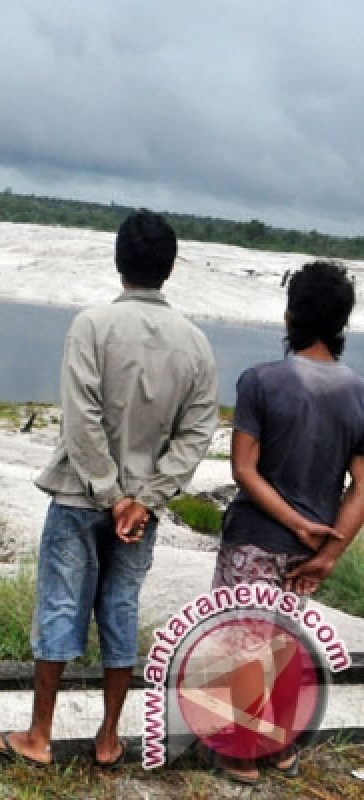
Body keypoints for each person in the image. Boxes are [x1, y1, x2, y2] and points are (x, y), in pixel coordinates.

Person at [0, 210, 219, 768]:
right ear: (170, 267)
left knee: (61, 606)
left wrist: (110, 493)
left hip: (79, 496)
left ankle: (39, 736)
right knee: (120, 608)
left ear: (119, 264)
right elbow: (196, 433)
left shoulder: (91, 325)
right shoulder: (197, 344)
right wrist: (145, 497)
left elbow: (81, 416)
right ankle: (110, 739)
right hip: (140, 509)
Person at [207, 260, 364, 784]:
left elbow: (243, 469)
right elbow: (362, 485)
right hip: (308, 550)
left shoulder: (260, 381)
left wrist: (294, 523)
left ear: (291, 314)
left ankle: (241, 755)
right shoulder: (357, 392)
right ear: (342, 322)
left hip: (256, 537)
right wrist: (328, 551)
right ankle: (279, 748)